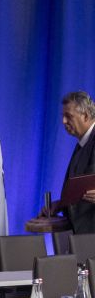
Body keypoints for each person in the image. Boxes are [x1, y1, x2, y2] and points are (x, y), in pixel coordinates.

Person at [58, 91, 95, 233]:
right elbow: (80, 189)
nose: (64, 121)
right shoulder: (82, 142)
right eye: (63, 116)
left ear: (85, 115)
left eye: (69, 116)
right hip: (82, 236)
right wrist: (60, 205)